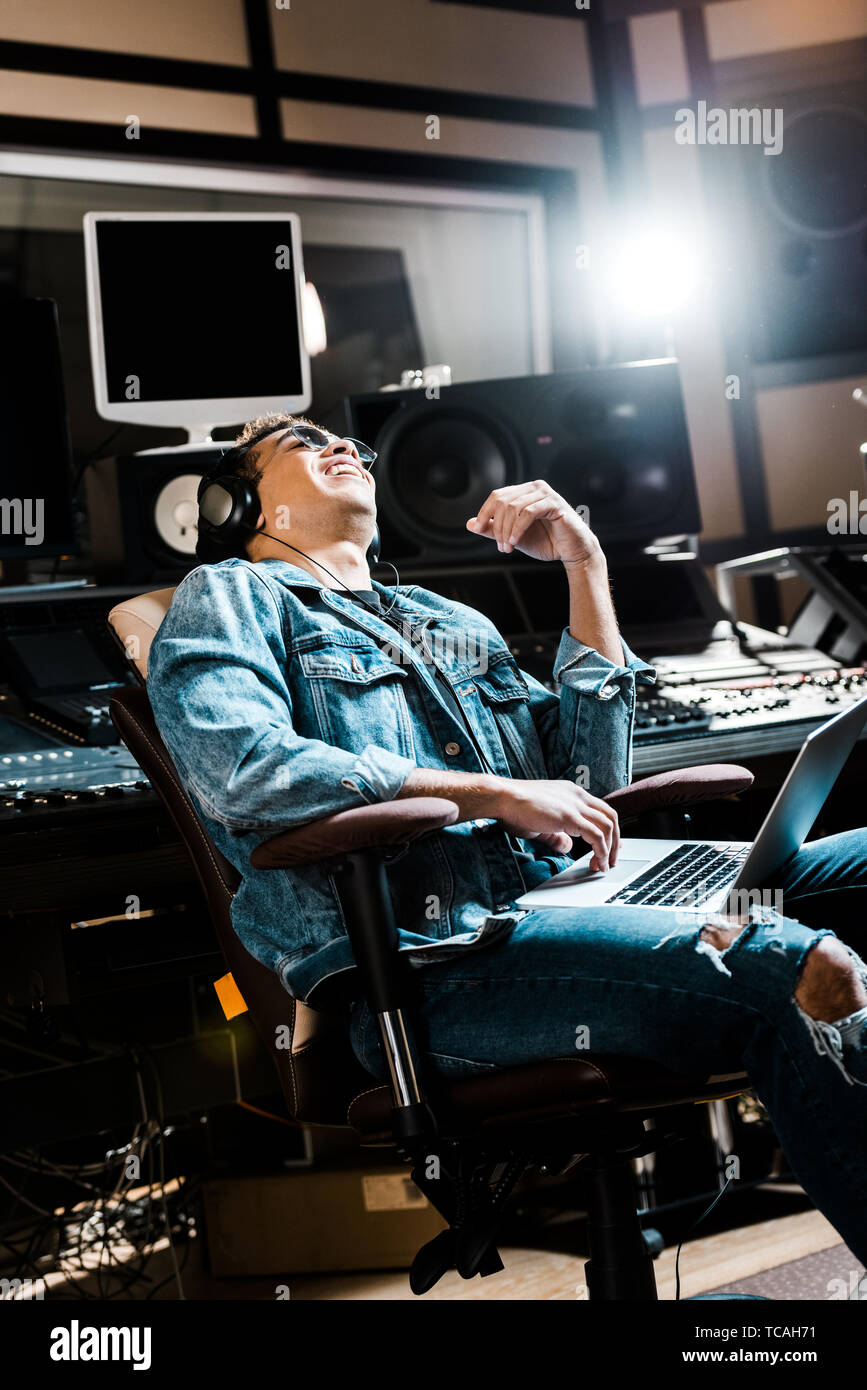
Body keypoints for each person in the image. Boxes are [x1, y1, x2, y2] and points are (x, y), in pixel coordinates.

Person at [148, 411, 867, 1263]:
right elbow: (245, 769)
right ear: (240, 505)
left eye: (350, 444)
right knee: (794, 964)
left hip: (571, 906)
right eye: (303, 445)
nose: (344, 446)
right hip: (436, 974)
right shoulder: (227, 599)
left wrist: (583, 566)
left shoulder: (447, 618)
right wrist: (489, 794)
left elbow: (589, 785)